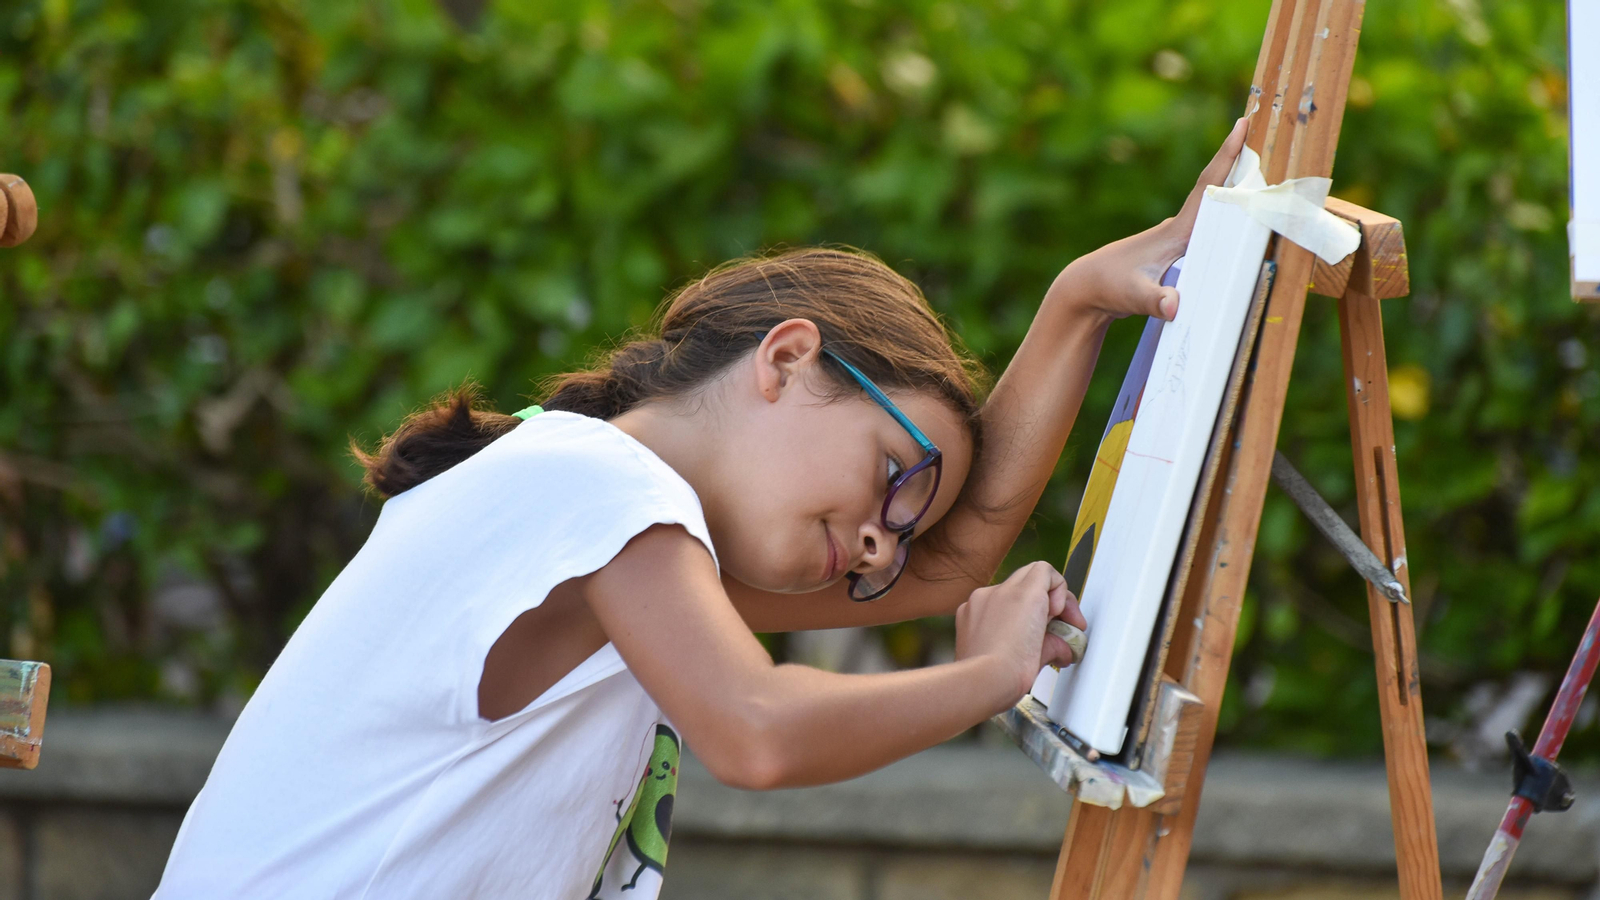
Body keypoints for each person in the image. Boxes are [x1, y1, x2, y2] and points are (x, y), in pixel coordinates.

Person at [153, 120, 1248, 899]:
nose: (879, 543)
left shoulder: (598, 519)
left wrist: (1075, 305)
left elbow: (951, 566)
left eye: (896, 532)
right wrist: (990, 679)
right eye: (891, 477)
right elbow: (755, 733)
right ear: (785, 358)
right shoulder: (596, 487)